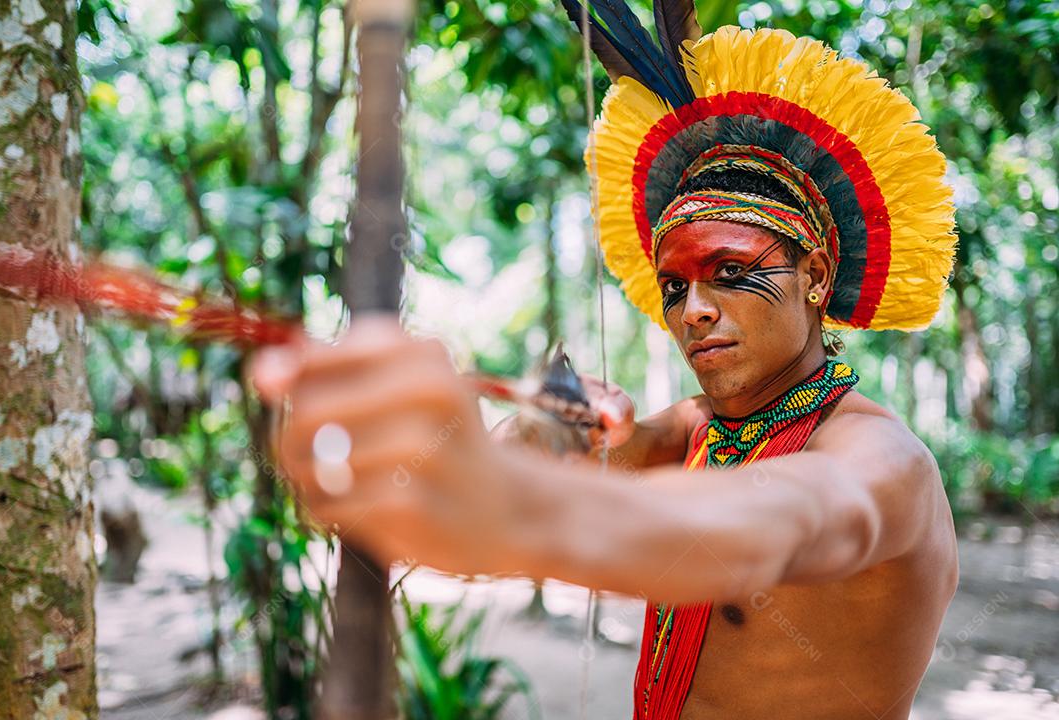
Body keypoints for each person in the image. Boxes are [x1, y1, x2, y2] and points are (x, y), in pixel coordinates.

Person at [250, 8, 960, 719]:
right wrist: (535, 435)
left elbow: (779, 520)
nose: (693, 311)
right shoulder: (694, 433)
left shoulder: (884, 460)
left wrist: (508, 501)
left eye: (730, 269)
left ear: (815, 274)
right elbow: (558, 471)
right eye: (675, 287)